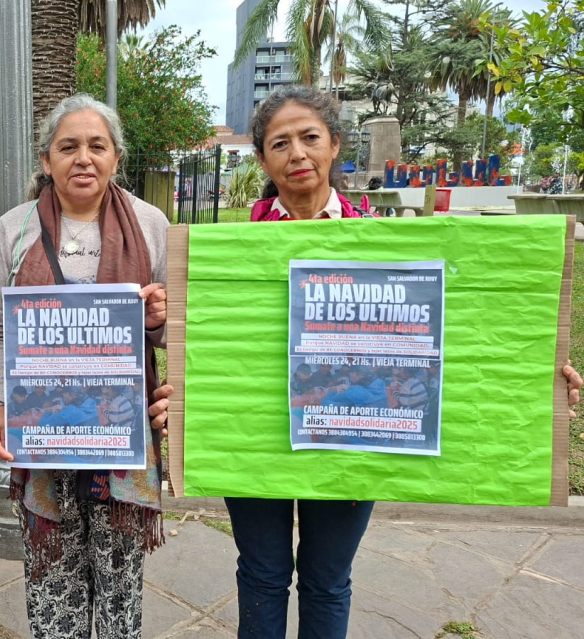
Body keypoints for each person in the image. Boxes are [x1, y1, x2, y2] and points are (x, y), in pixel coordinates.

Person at [233, 84, 583, 639]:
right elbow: (205, 346)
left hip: (350, 429)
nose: (296, 153)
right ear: (262, 159)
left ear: (334, 145)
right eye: (280, 143)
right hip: (252, 432)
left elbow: (459, 327)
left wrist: (541, 370)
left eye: (309, 138)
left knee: (327, 580)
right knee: (262, 575)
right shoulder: (226, 258)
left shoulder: (387, 245)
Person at [0, 93, 173, 639]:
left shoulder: (150, 224)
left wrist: (157, 321)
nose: (83, 158)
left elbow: (171, 335)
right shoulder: (13, 228)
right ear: (46, 160)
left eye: (97, 146)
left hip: (122, 441)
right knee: (53, 589)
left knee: (118, 593)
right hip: (43, 436)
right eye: (68, 147)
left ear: (116, 157)